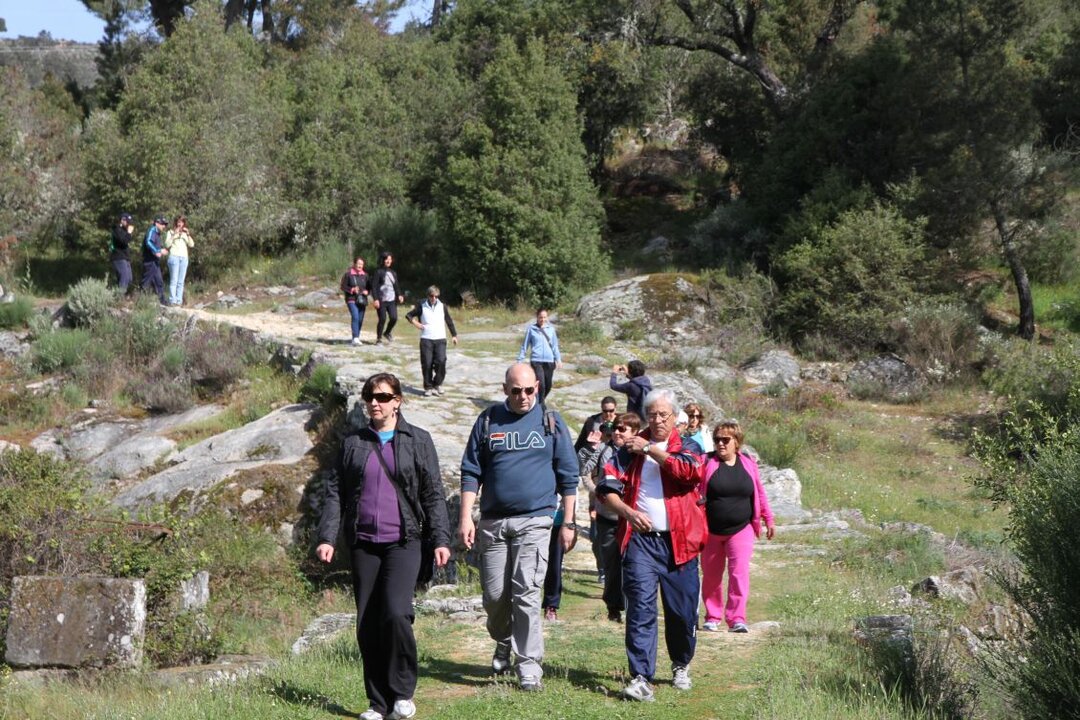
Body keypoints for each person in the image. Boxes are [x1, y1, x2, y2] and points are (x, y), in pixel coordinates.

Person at [315, 372, 451, 720]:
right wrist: (327, 537)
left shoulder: (418, 440)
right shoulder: (353, 443)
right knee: (368, 623)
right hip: (364, 544)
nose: (375, 403)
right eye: (370, 397)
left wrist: (441, 539)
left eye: (383, 397)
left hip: (404, 542)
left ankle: (403, 692)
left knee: (396, 613)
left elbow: (433, 493)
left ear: (397, 401)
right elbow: (336, 493)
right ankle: (378, 703)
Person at [458, 363, 579, 692]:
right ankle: (504, 639)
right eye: (516, 391)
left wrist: (568, 522)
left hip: (536, 520)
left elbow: (569, 477)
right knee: (495, 597)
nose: (523, 396)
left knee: (526, 591)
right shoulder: (488, 420)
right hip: (493, 522)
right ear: (505, 390)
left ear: (537, 387)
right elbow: (471, 471)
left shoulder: (551, 421)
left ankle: (529, 667)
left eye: (529, 390)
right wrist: (466, 517)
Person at [597, 388, 706, 702]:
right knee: (640, 609)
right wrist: (628, 513)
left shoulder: (687, 445)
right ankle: (641, 677)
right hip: (640, 543)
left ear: (674, 417)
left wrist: (650, 450)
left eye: (663, 415)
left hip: (681, 543)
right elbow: (606, 487)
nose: (657, 420)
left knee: (682, 613)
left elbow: (690, 472)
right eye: (652, 414)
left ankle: (681, 663)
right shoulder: (628, 450)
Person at [698, 419, 774, 634]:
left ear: (737, 441)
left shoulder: (748, 463)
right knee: (711, 576)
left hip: (741, 528)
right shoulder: (706, 462)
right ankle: (713, 617)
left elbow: (759, 492)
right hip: (711, 530)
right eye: (717, 440)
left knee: (739, 574)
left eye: (725, 440)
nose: (720, 444)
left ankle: (736, 618)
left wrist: (768, 518)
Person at [579, 412, 641, 622]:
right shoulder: (603, 450)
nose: (617, 433)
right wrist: (597, 491)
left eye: (622, 429)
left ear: (635, 432)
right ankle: (614, 608)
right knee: (612, 564)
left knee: (634, 564)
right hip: (608, 517)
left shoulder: (641, 454)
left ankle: (634, 607)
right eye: (615, 428)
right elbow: (583, 470)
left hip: (633, 518)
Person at [405, 286, 459, 397]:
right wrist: (416, 323)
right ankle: (428, 387)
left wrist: (454, 335)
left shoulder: (442, 306)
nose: (434, 298)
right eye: (431, 296)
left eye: (436, 296)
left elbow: (448, 320)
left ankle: (437, 384)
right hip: (426, 339)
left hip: (440, 338)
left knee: (441, 361)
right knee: (427, 363)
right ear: (428, 296)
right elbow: (408, 315)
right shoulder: (422, 305)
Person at [517, 309, 561, 401]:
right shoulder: (531, 329)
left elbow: (555, 346)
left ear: (547, 318)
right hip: (536, 361)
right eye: (541, 317)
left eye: (545, 317)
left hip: (549, 361)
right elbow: (525, 345)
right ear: (537, 317)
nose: (543, 319)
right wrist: (520, 360)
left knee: (548, 385)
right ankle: (540, 404)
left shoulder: (551, 329)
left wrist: (558, 359)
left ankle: (539, 401)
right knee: (541, 384)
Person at [372, 251, 403, 345]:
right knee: (382, 319)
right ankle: (379, 339)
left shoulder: (393, 273)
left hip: (391, 299)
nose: (388, 261)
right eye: (386, 259)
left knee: (394, 318)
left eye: (390, 259)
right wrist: (375, 299)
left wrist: (399, 295)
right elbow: (374, 286)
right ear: (383, 260)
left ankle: (387, 332)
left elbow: (396, 286)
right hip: (381, 300)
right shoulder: (378, 272)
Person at [164, 215, 194, 306]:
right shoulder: (170, 232)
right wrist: (174, 235)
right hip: (174, 257)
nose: (180, 224)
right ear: (176, 223)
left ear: (184, 223)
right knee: (174, 280)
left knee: (181, 281)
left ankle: (179, 301)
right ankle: (172, 300)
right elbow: (167, 244)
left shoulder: (185, 234)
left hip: (184, 258)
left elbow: (191, 244)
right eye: (178, 222)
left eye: (182, 222)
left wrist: (188, 234)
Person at [341, 256, 371, 346]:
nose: (360, 266)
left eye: (362, 264)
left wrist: (367, 292)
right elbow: (343, 286)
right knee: (355, 316)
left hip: (362, 300)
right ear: (354, 264)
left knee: (360, 319)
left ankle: (356, 336)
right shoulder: (348, 274)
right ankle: (355, 338)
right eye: (358, 264)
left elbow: (369, 287)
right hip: (351, 299)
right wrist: (352, 289)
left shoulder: (365, 275)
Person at [140, 216, 169, 305]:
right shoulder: (152, 230)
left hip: (155, 261)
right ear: (156, 223)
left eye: (165, 224)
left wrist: (160, 250)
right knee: (146, 282)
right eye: (162, 224)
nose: (164, 226)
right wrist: (158, 251)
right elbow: (148, 242)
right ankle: (140, 301)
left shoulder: (157, 233)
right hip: (149, 261)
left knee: (159, 281)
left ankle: (163, 301)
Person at [109, 213, 135, 294]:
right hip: (118, 257)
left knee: (129, 279)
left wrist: (128, 233)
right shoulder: (117, 230)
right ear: (122, 220)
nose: (129, 224)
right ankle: (119, 296)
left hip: (125, 257)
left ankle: (120, 293)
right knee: (124, 277)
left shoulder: (124, 230)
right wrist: (129, 233)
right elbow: (123, 241)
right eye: (127, 222)